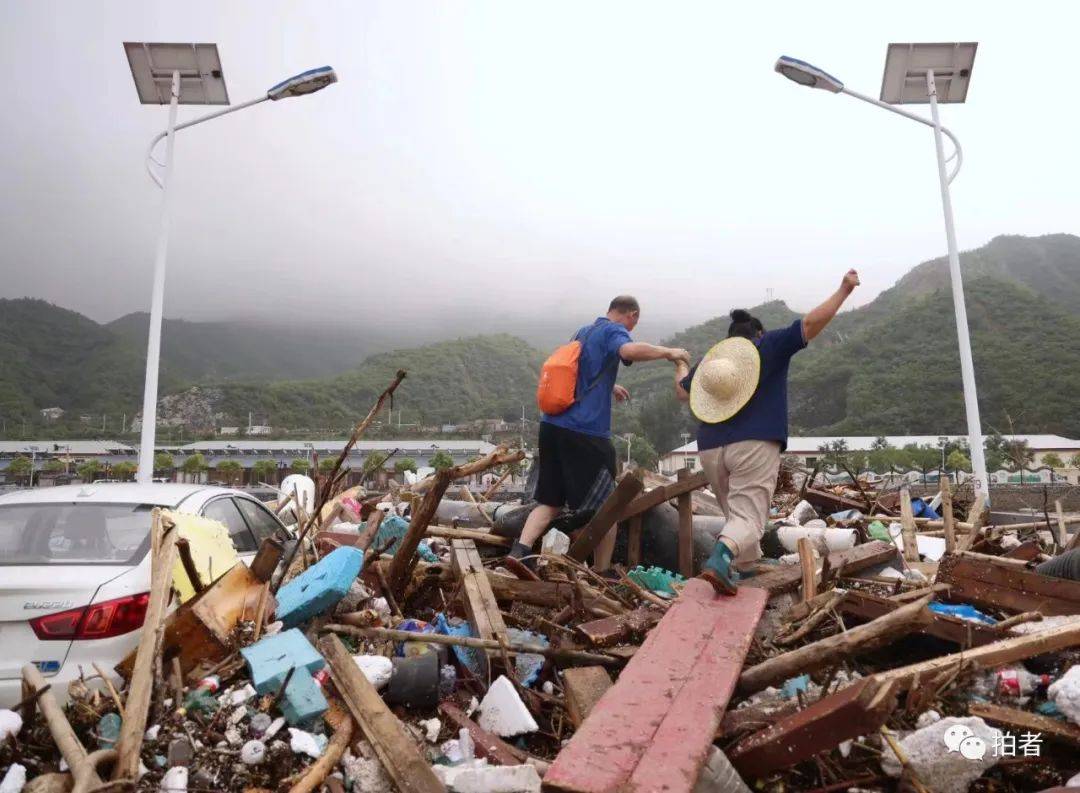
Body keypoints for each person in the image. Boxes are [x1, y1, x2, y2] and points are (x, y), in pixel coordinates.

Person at [674, 270, 860, 594]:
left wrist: (677, 360)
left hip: (710, 447)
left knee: (735, 513)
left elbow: (681, 390)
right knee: (749, 517)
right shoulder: (767, 345)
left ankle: (744, 570)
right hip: (754, 443)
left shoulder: (712, 363)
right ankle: (719, 560)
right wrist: (843, 290)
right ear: (756, 333)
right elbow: (809, 325)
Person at [510, 296, 690, 569]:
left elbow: (577, 373)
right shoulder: (613, 330)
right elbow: (628, 351)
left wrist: (610, 385)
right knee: (608, 508)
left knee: (550, 501)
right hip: (583, 433)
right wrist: (669, 353)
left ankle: (519, 552)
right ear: (632, 316)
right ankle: (602, 572)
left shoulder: (583, 332)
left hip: (551, 427)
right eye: (633, 322)